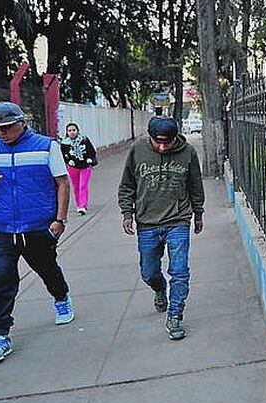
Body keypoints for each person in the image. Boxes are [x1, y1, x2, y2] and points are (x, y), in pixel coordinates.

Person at [0, 101, 74, 365]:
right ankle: (0, 336)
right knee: (2, 279)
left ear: (22, 122)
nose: (2, 133)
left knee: (47, 268)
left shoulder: (46, 146)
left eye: (7, 127)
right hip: (1, 228)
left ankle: (61, 297)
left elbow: (62, 183)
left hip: (38, 226)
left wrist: (60, 220)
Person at [118, 116, 205, 340]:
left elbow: (195, 185)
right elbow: (127, 185)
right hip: (147, 222)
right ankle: (159, 288)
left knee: (180, 271)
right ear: (150, 137)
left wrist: (198, 213)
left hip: (178, 220)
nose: (163, 147)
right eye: (158, 142)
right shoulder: (137, 150)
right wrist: (127, 213)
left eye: (168, 142)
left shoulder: (188, 153)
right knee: (148, 272)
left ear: (176, 137)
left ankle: (175, 315)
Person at [60, 122, 98, 215]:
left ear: (77, 131)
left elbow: (92, 151)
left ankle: (82, 206)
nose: (72, 132)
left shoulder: (84, 140)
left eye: (74, 130)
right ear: (67, 132)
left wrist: (90, 159)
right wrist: (68, 161)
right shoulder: (64, 143)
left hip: (85, 166)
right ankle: (79, 204)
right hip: (73, 167)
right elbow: (63, 155)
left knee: (83, 185)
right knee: (76, 186)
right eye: (69, 130)